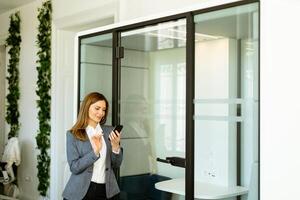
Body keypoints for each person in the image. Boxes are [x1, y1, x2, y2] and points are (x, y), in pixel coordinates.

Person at [62, 92, 123, 200]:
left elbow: (116, 164)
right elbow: (74, 167)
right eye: (97, 108)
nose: (101, 113)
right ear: (87, 108)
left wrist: (115, 147)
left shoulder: (110, 131)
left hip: (108, 191)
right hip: (82, 192)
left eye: (103, 110)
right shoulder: (73, 134)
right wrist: (95, 152)